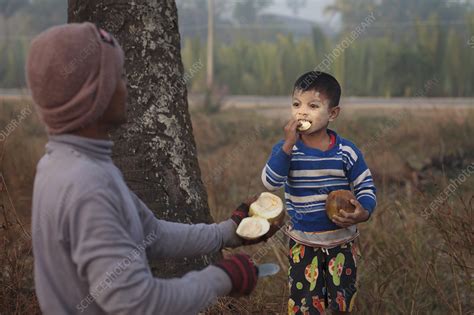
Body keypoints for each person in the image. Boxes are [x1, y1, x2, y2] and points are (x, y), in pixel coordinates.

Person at [27, 22, 276, 315]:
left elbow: (151, 234)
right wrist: (221, 278)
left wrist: (227, 233)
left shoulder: (63, 163)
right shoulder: (88, 184)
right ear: (94, 94)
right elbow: (138, 303)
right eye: (117, 77)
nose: (125, 87)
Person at [261, 71, 377, 314]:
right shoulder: (288, 150)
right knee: (305, 305)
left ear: (332, 113)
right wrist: (287, 146)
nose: (301, 112)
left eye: (313, 106)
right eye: (296, 104)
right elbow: (271, 182)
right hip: (303, 243)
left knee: (341, 305)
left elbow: (365, 185)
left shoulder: (346, 151)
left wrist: (363, 212)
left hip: (342, 244)